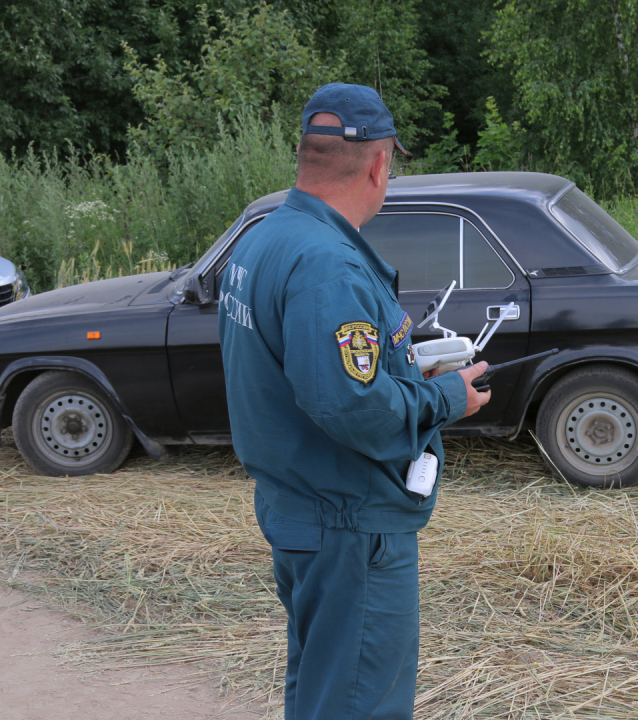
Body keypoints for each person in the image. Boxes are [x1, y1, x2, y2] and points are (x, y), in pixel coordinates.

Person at [218, 83, 491, 720]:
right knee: (360, 702)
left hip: (300, 506)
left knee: (322, 686)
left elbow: (315, 369)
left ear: (304, 156)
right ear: (378, 165)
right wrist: (445, 397)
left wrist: (404, 365)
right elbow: (349, 405)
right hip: (348, 523)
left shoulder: (266, 237)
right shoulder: (327, 264)